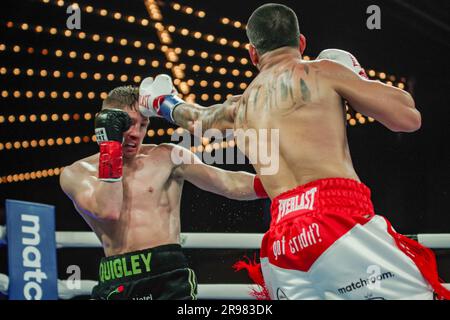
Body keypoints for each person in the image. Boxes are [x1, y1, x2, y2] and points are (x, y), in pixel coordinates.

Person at [138, 3, 450, 300]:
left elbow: (197, 120)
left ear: (252, 53)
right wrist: (356, 76)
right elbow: (408, 119)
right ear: (301, 42)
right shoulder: (323, 71)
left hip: (281, 242)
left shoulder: (241, 106)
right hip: (336, 218)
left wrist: (163, 103)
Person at [59, 85, 268, 300]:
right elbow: (108, 210)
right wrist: (110, 145)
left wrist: (279, 186)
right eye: (128, 123)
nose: (135, 133)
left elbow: (227, 182)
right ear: (104, 120)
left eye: (143, 125)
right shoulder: (76, 174)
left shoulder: (167, 156)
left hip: (169, 278)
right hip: (118, 277)